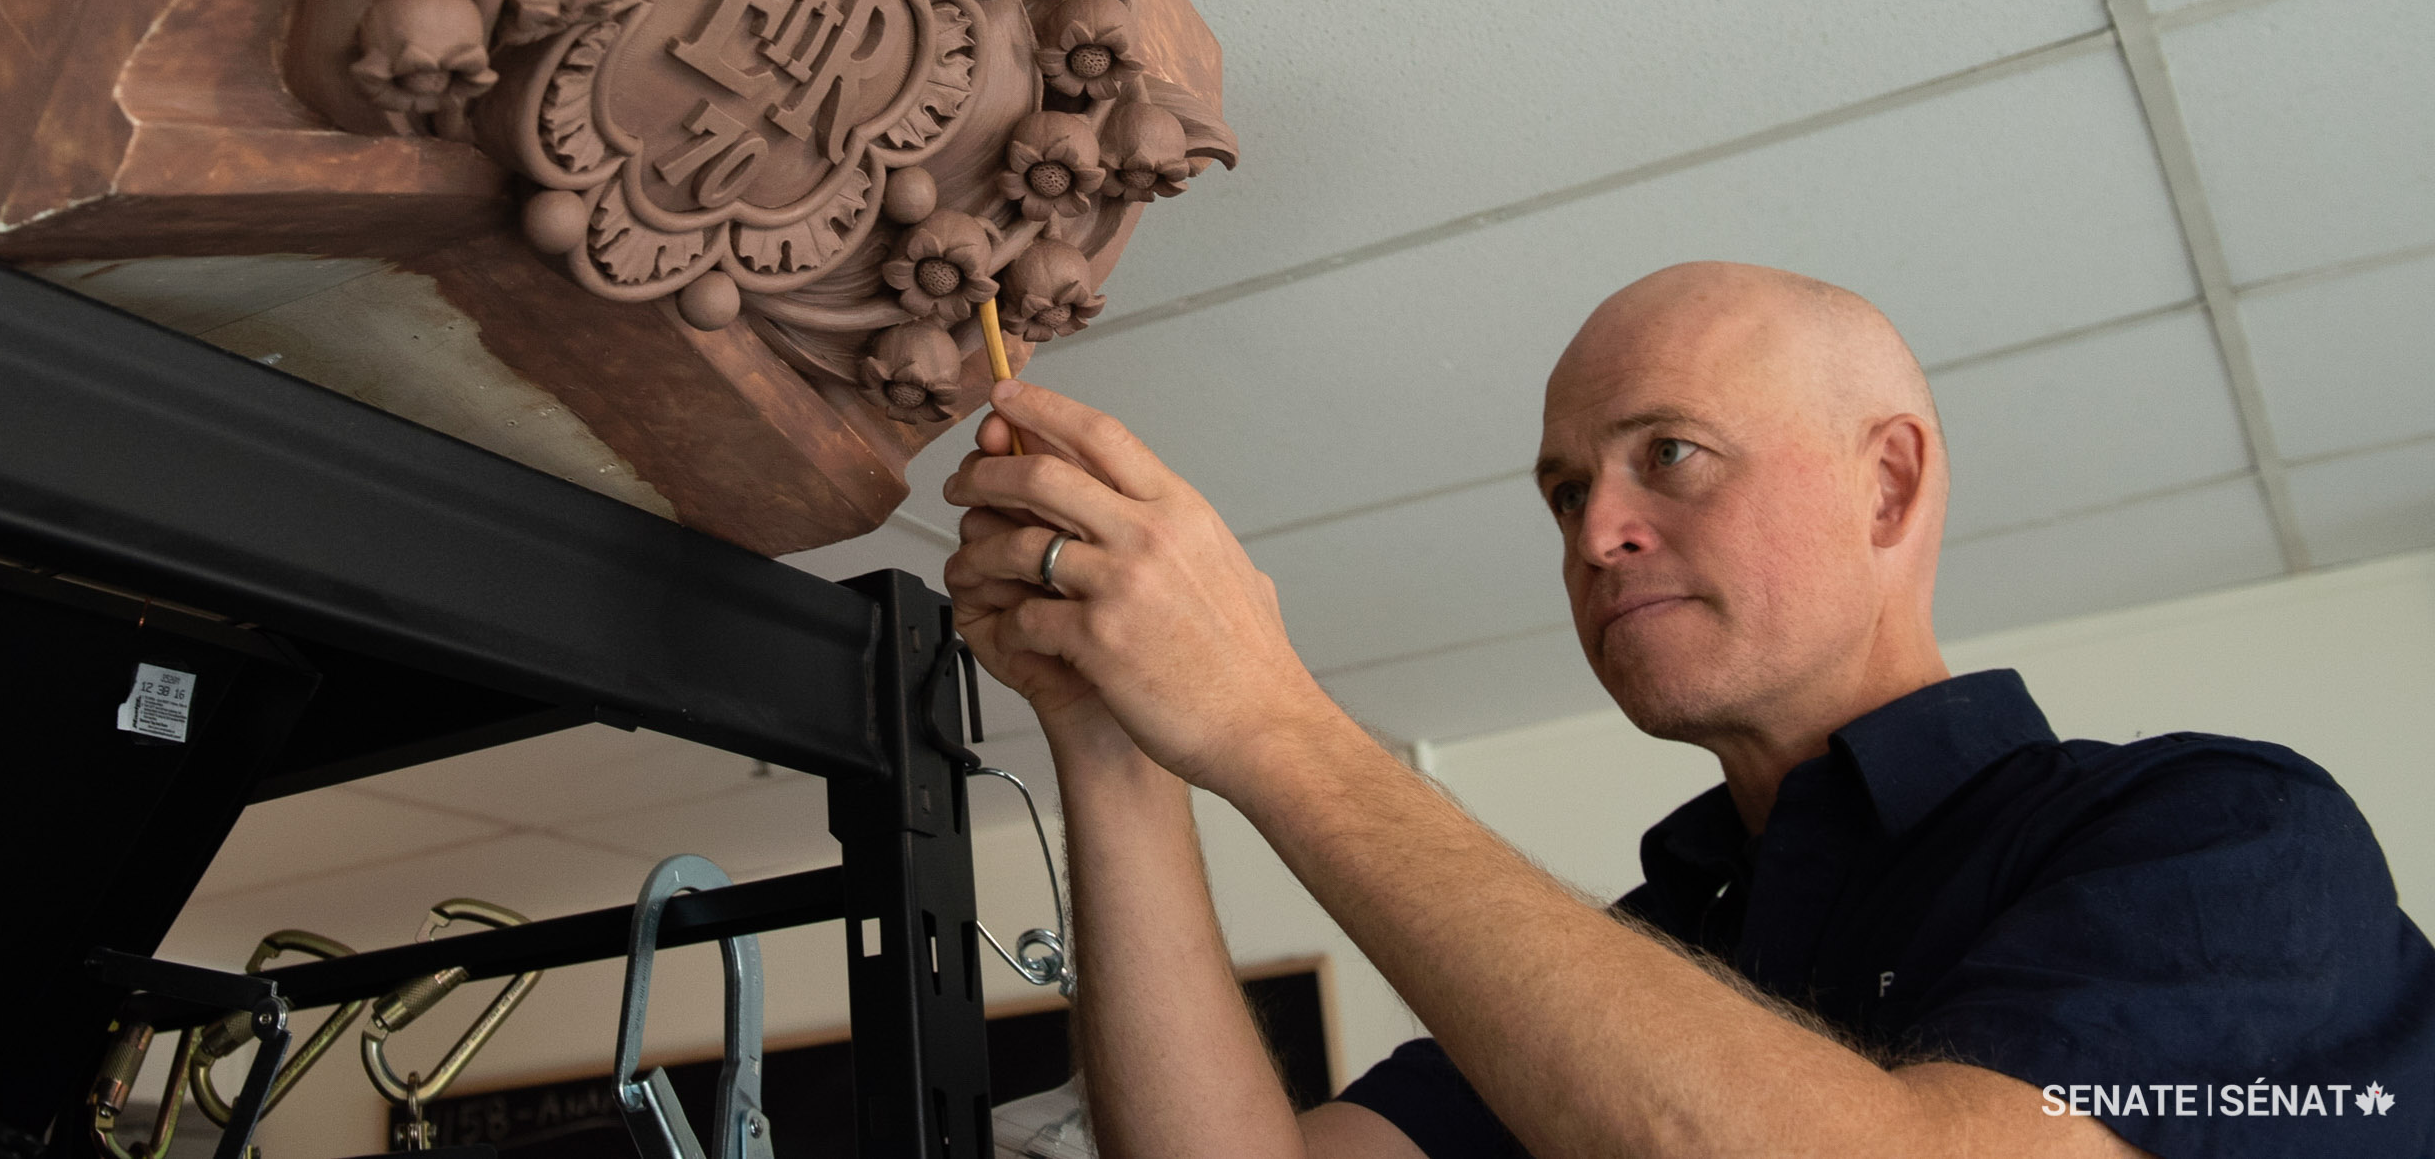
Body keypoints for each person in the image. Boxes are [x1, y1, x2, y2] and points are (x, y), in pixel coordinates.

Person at [943, 261, 2434, 1158]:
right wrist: (1115, 739)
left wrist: (1274, 723)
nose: (1596, 533)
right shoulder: (1648, 957)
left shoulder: (2225, 840)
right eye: (1565, 491)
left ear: (1888, 485)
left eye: (1671, 453)